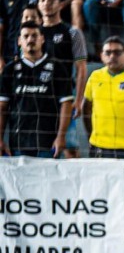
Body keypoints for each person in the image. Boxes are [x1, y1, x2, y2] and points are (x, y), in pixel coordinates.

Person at [0, 22, 72, 158]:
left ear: (42, 39)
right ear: (19, 41)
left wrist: (61, 137)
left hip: (49, 144)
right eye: (26, 36)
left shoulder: (58, 67)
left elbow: (66, 104)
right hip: (18, 144)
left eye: (34, 35)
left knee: (50, 180)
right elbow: (2, 107)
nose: (30, 39)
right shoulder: (9, 70)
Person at [37, 0, 88, 158]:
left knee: (70, 147)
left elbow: (81, 68)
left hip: (64, 95)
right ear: (38, 4)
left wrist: (79, 98)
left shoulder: (73, 33)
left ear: (60, 4)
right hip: (38, 95)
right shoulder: (33, 34)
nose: (47, 3)